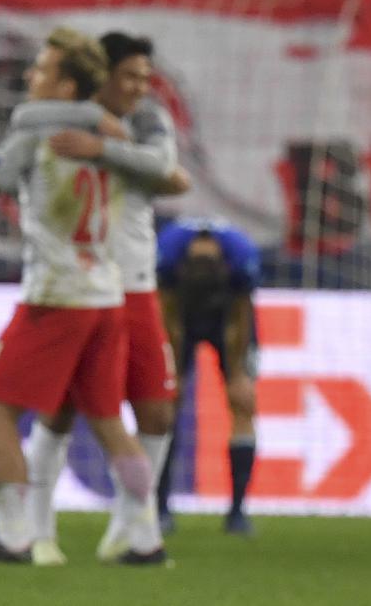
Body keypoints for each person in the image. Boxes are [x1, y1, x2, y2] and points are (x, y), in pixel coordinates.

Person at [0, 26, 160, 564]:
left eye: (40, 69)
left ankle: (14, 537)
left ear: (66, 87)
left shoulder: (34, 137)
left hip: (56, 296)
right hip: (107, 296)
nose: (28, 76)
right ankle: (145, 537)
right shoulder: (114, 136)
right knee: (109, 423)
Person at [21, 32, 189, 567]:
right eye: (130, 77)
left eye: (145, 77)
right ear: (104, 77)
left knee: (157, 411)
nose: (140, 88)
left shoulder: (146, 120)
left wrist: (106, 150)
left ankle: (129, 527)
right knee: (61, 410)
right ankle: (36, 528)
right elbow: (165, 175)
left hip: (138, 286)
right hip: (79, 286)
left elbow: (166, 168)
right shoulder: (64, 120)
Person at [156, 217, 260, 536]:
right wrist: (174, 371)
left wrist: (238, 372)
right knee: (166, 406)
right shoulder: (167, 253)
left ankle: (238, 511)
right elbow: (167, 314)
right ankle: (160, 507)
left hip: (226, 314)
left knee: (242, 404)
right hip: (182, 316)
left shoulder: (243, 257)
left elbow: (241, 317)